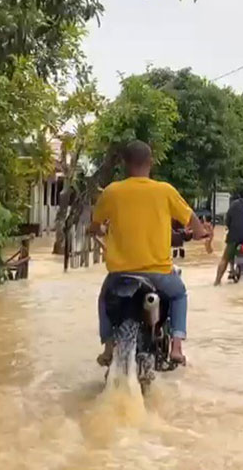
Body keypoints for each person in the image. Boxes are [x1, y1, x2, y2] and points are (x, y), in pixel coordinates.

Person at [88, 140, 212, 367]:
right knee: (179, 295)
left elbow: (94, 226)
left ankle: (108, 348)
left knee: (104, 298)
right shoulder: (165, 191)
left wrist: (99, 230)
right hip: (159, 274)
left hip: (120, 274)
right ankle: (176, 347)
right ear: (151, 162)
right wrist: (199, 232)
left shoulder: (112, 192)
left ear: (125, 164)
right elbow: (191, 218)